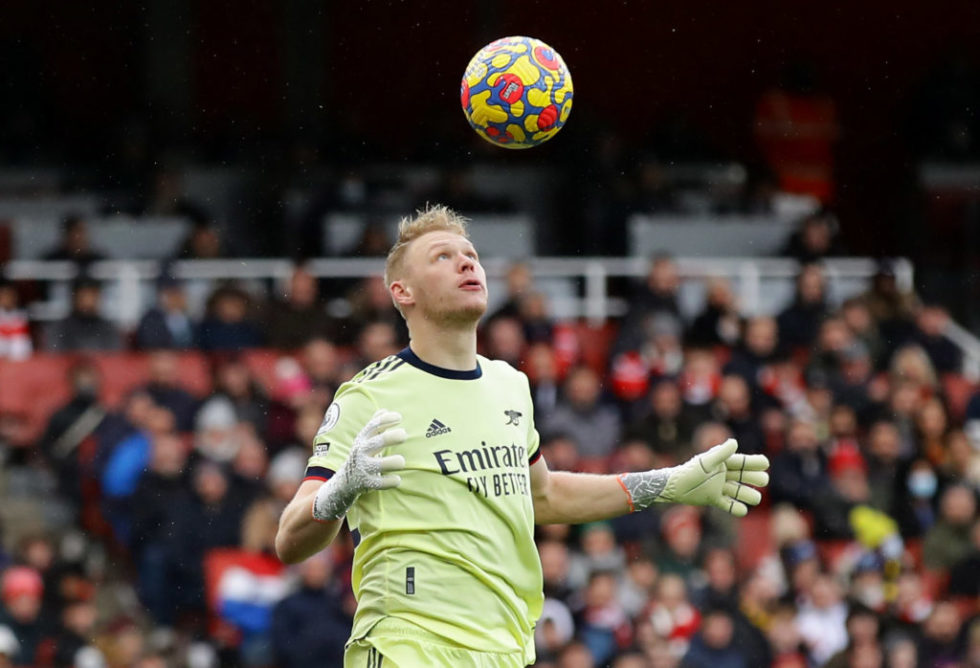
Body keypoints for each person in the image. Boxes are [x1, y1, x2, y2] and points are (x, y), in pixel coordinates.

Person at [274, 205, 770, 667]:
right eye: (442, 257)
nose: (466, 264)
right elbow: (289, 540)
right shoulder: (367, 395)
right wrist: (339, 491)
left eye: (470, 255)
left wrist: (669, 484)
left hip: (506, 648)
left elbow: (545, 495)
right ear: (403, 291)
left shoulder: (510, 386)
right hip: (408, 643)